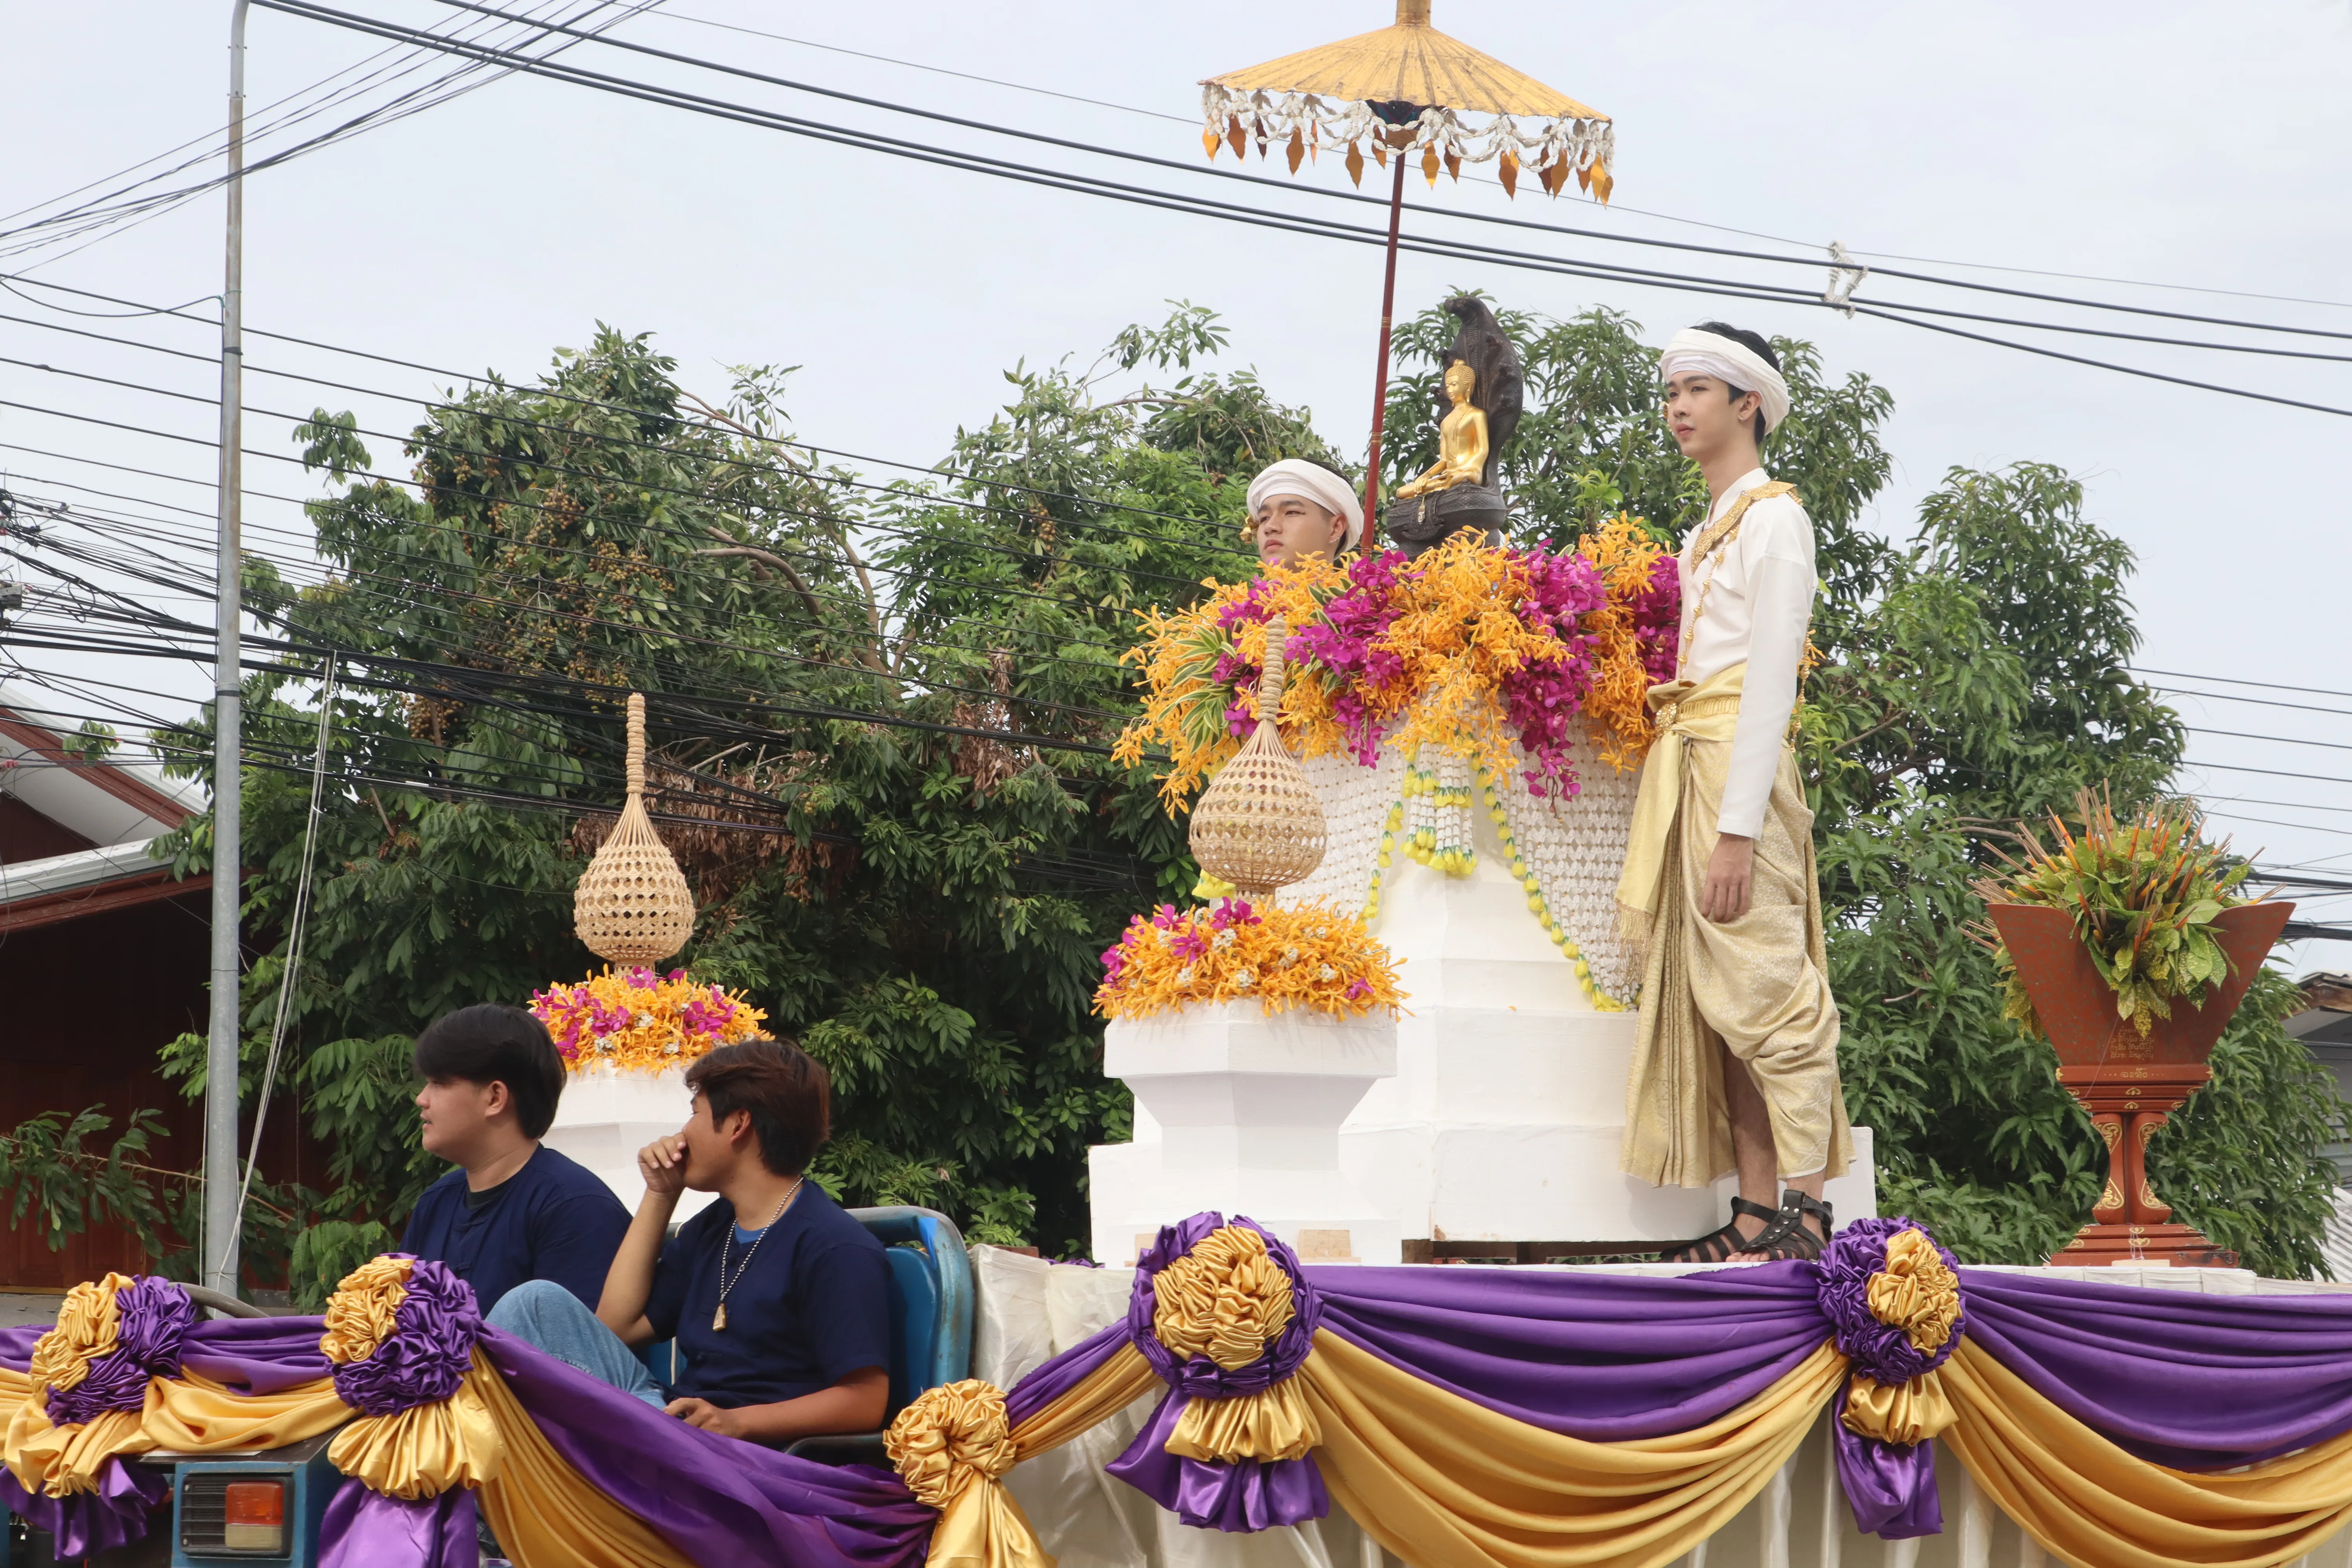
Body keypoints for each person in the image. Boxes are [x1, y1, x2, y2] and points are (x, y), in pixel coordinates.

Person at [1615, 322, 1850, 1264]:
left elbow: (1768, 688)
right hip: (1691, 761)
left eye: (1699, 389)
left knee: (1767, 991)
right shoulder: (1706, 530)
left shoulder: (1775, 519)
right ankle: (1756, 1211)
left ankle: (1808, 1208)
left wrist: (1738, 830)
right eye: (1673, 390)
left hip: (1732, 775)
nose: (1678, 406)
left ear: (1748, 403)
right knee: (1721, 1004)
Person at [485, 1037, 891, 1445]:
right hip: (675, 1426)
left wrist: (736, 1422)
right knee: (534, 1303)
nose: (683, 1132)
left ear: (738, 1124)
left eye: (695, 1112)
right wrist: (660, 1194)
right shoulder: (716, 1227)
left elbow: (865, 1401)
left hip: (742, 1453)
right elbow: (615, 1327)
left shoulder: (834, 1247)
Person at [402, 1004, 632, 1314]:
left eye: (439, 1083)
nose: (422, 1098)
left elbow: (570, 1355)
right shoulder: (436, 1203)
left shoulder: (576, 1208)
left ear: (495, 1098)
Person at [1247, 458, 1363, 573]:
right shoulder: (1235, 591)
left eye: (1291, 512)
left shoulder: (1370, 591)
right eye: (1264, 519)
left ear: (1336, 528)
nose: (1270, 527)